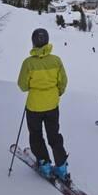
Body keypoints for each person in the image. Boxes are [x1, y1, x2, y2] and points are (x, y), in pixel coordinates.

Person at [18, 28, 69, 180]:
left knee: (36, 135)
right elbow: (63, 82)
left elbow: (22, 85)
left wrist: (34, 88)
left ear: (33, 42)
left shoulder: (28, 63)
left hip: (34, 106)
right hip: (52, 105)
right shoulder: (56, 60)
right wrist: (56, 92)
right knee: (54, 135)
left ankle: (45, 164)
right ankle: (61, 167)